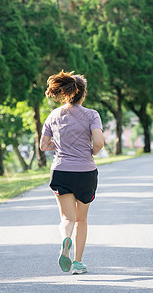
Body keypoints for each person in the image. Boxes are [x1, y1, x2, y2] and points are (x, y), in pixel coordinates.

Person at [40, 70, 104, 274]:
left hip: (61, 172)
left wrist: (59, 147)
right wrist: (91, 151)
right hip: (85, 172)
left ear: (66, 93)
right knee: (82, 219)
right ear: (83, 94)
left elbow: (43, 145)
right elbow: (99, 143)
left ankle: (65, 239)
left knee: (67, 219)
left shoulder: (53, 115)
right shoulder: (92, 115)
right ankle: (77, 262)